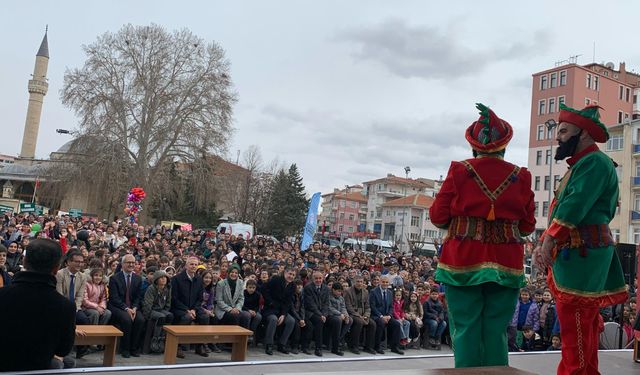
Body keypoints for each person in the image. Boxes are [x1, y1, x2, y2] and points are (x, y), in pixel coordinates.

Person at [430, 103, 536, 368]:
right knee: (497, 329)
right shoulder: (521, 176)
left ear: (474, 145)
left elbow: (438, 216)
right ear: (504, 145)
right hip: (507, 262)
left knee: (465, 327)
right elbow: (527, 226)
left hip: (463, 260)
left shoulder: (458, 171)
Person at [534, 103, 627, 375]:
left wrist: (548, 240)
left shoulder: (594, 162)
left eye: (563, 131)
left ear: (583, 133)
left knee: (575, 323)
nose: (558, 136)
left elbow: (574, 205)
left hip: (582, 253)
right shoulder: (585, 164)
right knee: (580, 324)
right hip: (579, 252)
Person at [0, 239, 76, 371]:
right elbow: (63, 349)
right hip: (39, 368)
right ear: (57, 268)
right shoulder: (66, 306)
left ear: (24, 261)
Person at [108, 254, 146, 358]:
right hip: (118, 306)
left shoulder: (138, 279)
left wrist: (134, 308)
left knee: (140, 320)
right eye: (128, 262)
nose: (131, 264)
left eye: (133, 262)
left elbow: (138, 297)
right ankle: (125, 349)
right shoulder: (114, 278)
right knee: (126, 319)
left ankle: (134, 348)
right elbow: (114, 298)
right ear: (122, 264)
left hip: (132, 307)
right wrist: (126, 308)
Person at [171, 256, 209, 358]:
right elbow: (174, 299)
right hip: (179, 308)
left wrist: (193, 309)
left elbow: (200, 299)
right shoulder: (176, 279)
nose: (193, 266)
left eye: (195, 264)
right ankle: (177, 346)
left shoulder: (199, 279)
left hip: (194, 309)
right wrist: (187, 310)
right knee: (186, 317)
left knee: (205, 317)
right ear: (186, 265)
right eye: (191, 264)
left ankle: (199, 346)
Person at [262, 267, 296, 355]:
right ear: (285, 273)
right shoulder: (276, 279)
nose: (291, 276)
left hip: (281, 310)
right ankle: (269, 344)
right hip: (270, 308)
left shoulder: (293, 286)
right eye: (290, 274)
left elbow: (288, 302)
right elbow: (264, 289)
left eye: (293, 275)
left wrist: (284, 314)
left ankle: (282, 344)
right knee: (273, 319)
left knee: (291, 321)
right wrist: (270, 302)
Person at [369, 275, 404, 354]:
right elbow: (372, 306)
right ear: (380, 282)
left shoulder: (390, 292)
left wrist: (389, 315)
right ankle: (377, 346)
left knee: (396, 324)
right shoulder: (373, 292)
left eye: (386, 282)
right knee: (381, 323)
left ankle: (394, 347)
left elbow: (391, 307)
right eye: (383, 282)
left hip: (387, 316)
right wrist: (381, 316)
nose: (385, 284)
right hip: (376, 315)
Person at [344, 275, 377, 354]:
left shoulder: (365, 291)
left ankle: (368, 346)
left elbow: (368, 306)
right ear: (353, 282)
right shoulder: (348, 291)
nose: (359, 283)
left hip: (363, 314)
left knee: (372, 324)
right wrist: (359, 316)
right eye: (357, 281)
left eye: (361, 282)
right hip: (352, 314)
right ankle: (354, 346)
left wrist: (366, 315)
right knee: (359, 322)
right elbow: (348, 307)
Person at [142, 270, 173, 353]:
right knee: (161, 317)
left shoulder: (167, 288)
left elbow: (168, 303)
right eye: (161, 278)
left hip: (162, 310)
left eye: (165, 278)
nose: (164, 279)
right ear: (156, 279)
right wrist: (148, 315)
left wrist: (165, 311)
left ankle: (162, 338)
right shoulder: (151, 288)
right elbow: (147, 304)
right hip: (152, 310)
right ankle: (155, 339)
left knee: (169, 316)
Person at [304, 271, 331, 356]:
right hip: (310, 312)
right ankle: (318, 348)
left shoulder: (326, 288)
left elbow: (326, 303)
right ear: (312, 279)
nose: (318, 280)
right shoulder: (308, 288)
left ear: (323, 278)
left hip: (322, 313)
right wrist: (321, 315)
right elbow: (310, 304)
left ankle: (334, 346)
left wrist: (324, 314)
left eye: (320, 278)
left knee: (336, 320)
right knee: (319, 321)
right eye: (316, 278)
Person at [327, 282, 352, 356]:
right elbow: (329, 308)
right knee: (338, 320)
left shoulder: (341, 298)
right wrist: (339, 314)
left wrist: (346, 315)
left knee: (350, 320)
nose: (340, 293)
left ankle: (338, 339)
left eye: (341, 291)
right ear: (333, 290)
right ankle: (335, 347)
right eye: (338, 291)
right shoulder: (328, 296)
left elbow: (343, 307)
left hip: (340, 315)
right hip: (330, 315)